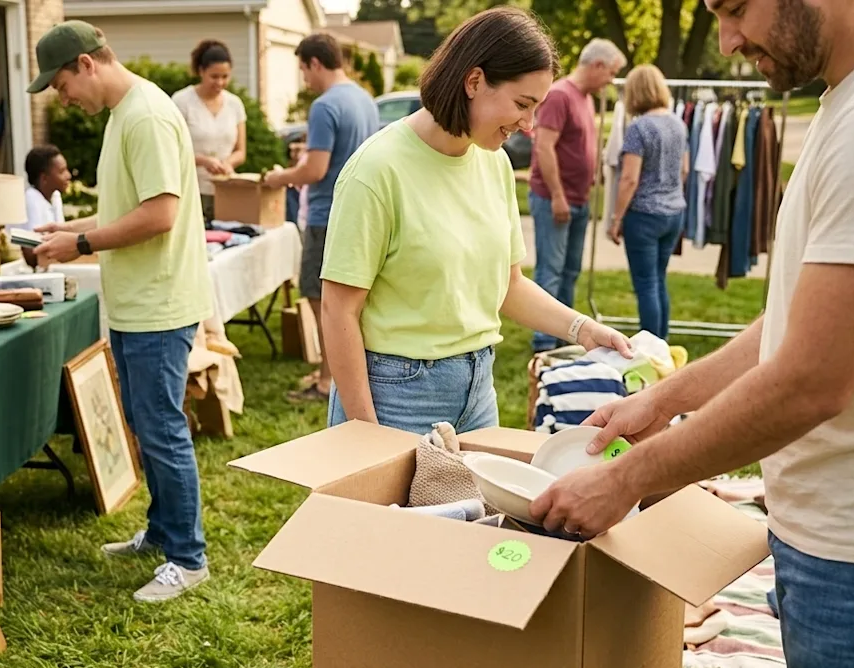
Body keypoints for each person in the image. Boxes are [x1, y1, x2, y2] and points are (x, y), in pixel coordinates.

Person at [530, 2, 854, 668]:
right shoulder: (852, 99)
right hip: (835, 542)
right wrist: (659, 401)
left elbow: (811, 382)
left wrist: (625, 481)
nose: (728, 41)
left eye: (734, 7)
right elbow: (788, 323)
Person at [320, 6, 632, 435]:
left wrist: (583, 329)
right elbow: (339, 308)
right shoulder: (376, 171)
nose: (528, 125)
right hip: (395, 397)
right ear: (474, 81)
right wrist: (365, 431)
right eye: (522, 104)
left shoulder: (494, 164)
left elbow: (507, 284)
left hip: (478, 390)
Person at [26, 20, 214, 603]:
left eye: (60, 86)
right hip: (139, 303)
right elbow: (125, 209)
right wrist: (72, 226)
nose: (64, 98)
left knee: (161, 430)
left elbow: (160, 215)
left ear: (86, 63)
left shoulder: (147, 117)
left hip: (159, 304)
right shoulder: (123, 115)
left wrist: (79, 246)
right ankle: (163, 533)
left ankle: (189, 557)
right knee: (147, 424)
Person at [261, 33, 379, 404]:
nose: (304, 80)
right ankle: (338, 373)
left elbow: (315, 169)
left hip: (327, 214)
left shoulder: (325, 105)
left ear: (315, 63)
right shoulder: (364, 99)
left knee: (322, 301)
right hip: (360, 212)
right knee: (352, 301)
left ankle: (329, 380)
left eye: (303, 70)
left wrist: (278, 177)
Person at [528, 38, 626, 353]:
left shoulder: (585, 98)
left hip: (578, 199)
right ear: (596, 65)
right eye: (610, 73)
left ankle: (565, 332)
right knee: (551, 270)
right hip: (555, 199)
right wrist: (557, 195)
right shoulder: (560, 95)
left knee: (570, 271)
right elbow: (544, 146)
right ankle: (543, 343)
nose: (611, 80)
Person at [608, 64, 689, 339]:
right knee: (658, 279)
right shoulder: (678, 124)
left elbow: (629, 178)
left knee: (645, 284)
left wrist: (616, 218)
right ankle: (662, 341)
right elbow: (685, 169)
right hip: (674, 212)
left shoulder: (639, 128)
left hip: (644, 215)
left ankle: (651, 346)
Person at [172, 40, 247, 223]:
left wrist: (228, 163)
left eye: (225, 76)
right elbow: (172, 150)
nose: (220, 82)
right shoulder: (182, 102)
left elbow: (241, 151)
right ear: (201, 71)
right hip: (192, 191)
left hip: (225, 190)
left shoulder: (234, 104)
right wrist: (203, 161)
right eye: (214, 76)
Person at [15, 145, 72, 268]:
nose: (68, 175)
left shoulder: (55, 196)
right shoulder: (31, 200)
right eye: (62, 171)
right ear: (44, 178)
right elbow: (32, 253)